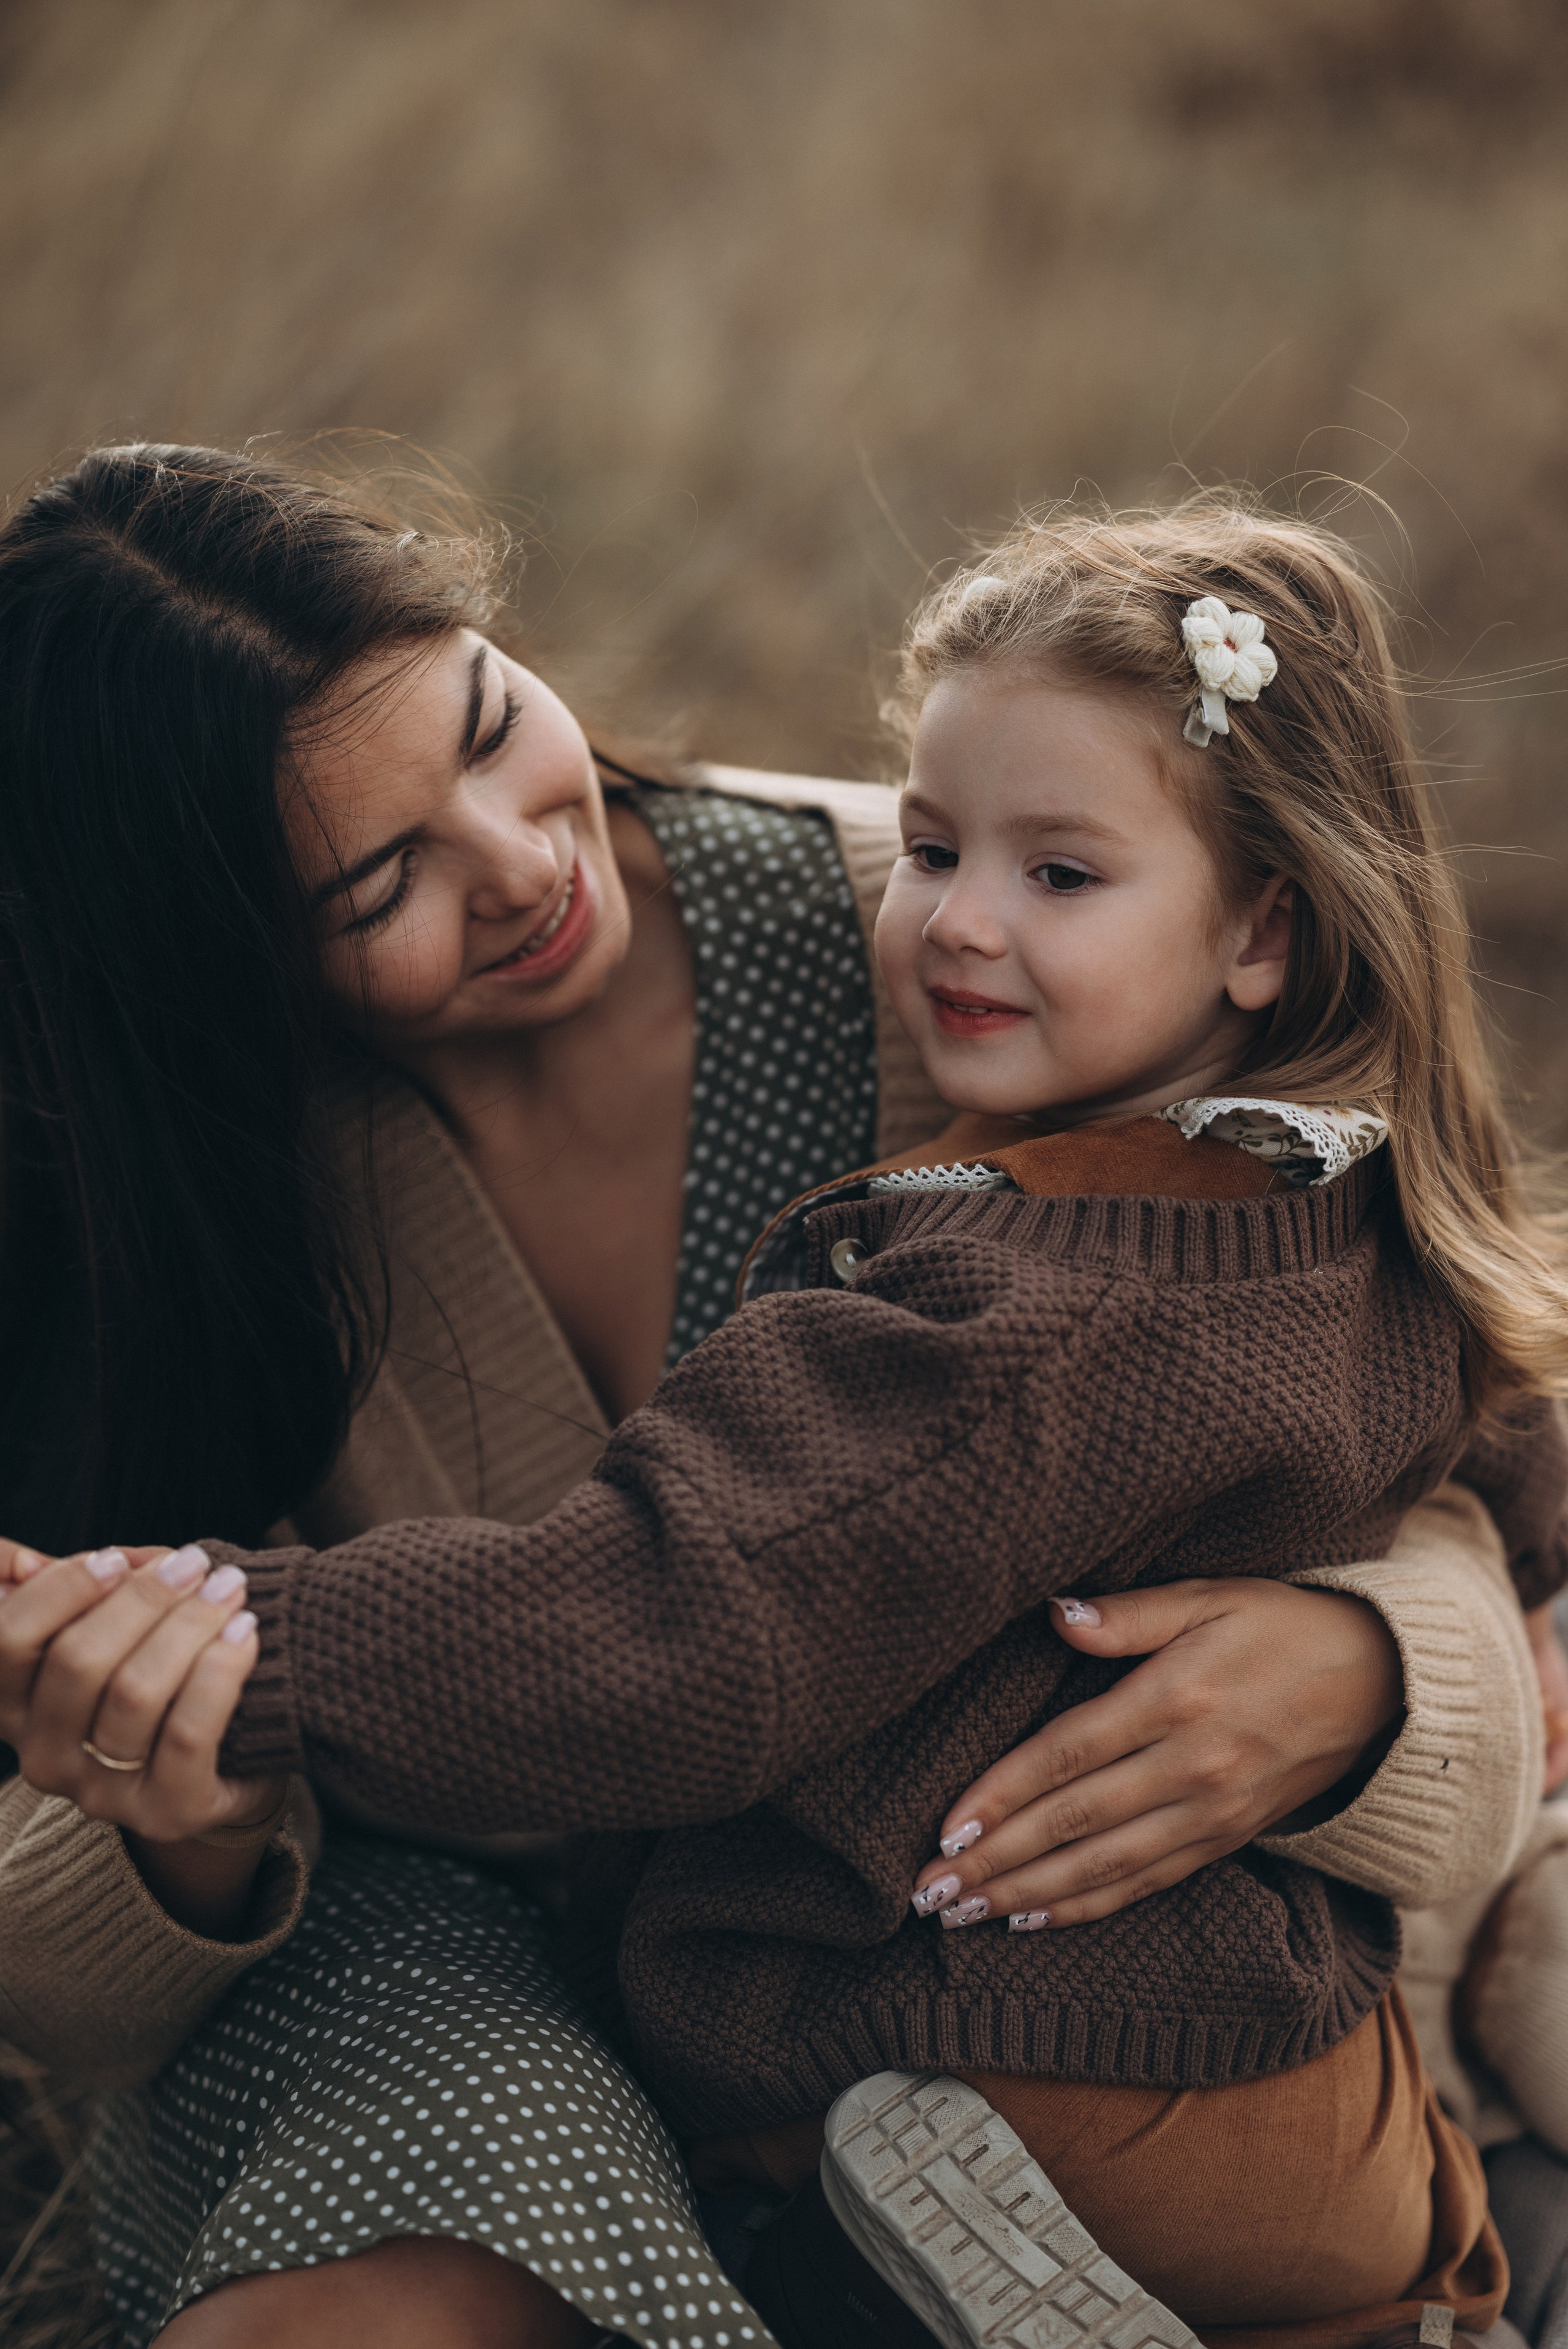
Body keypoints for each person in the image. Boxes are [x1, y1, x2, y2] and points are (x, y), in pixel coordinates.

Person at [0, 454, 1548, 2349]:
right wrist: (181, 1818)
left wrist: (1369, 1675)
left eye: (494, 724)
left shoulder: (969, 951)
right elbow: (70, 1942)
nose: (522, 860)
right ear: (207, 958)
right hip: (454, 1961)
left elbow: (1435, 1418)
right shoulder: (153, 1208)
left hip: (987, 1986)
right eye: (381, 879)